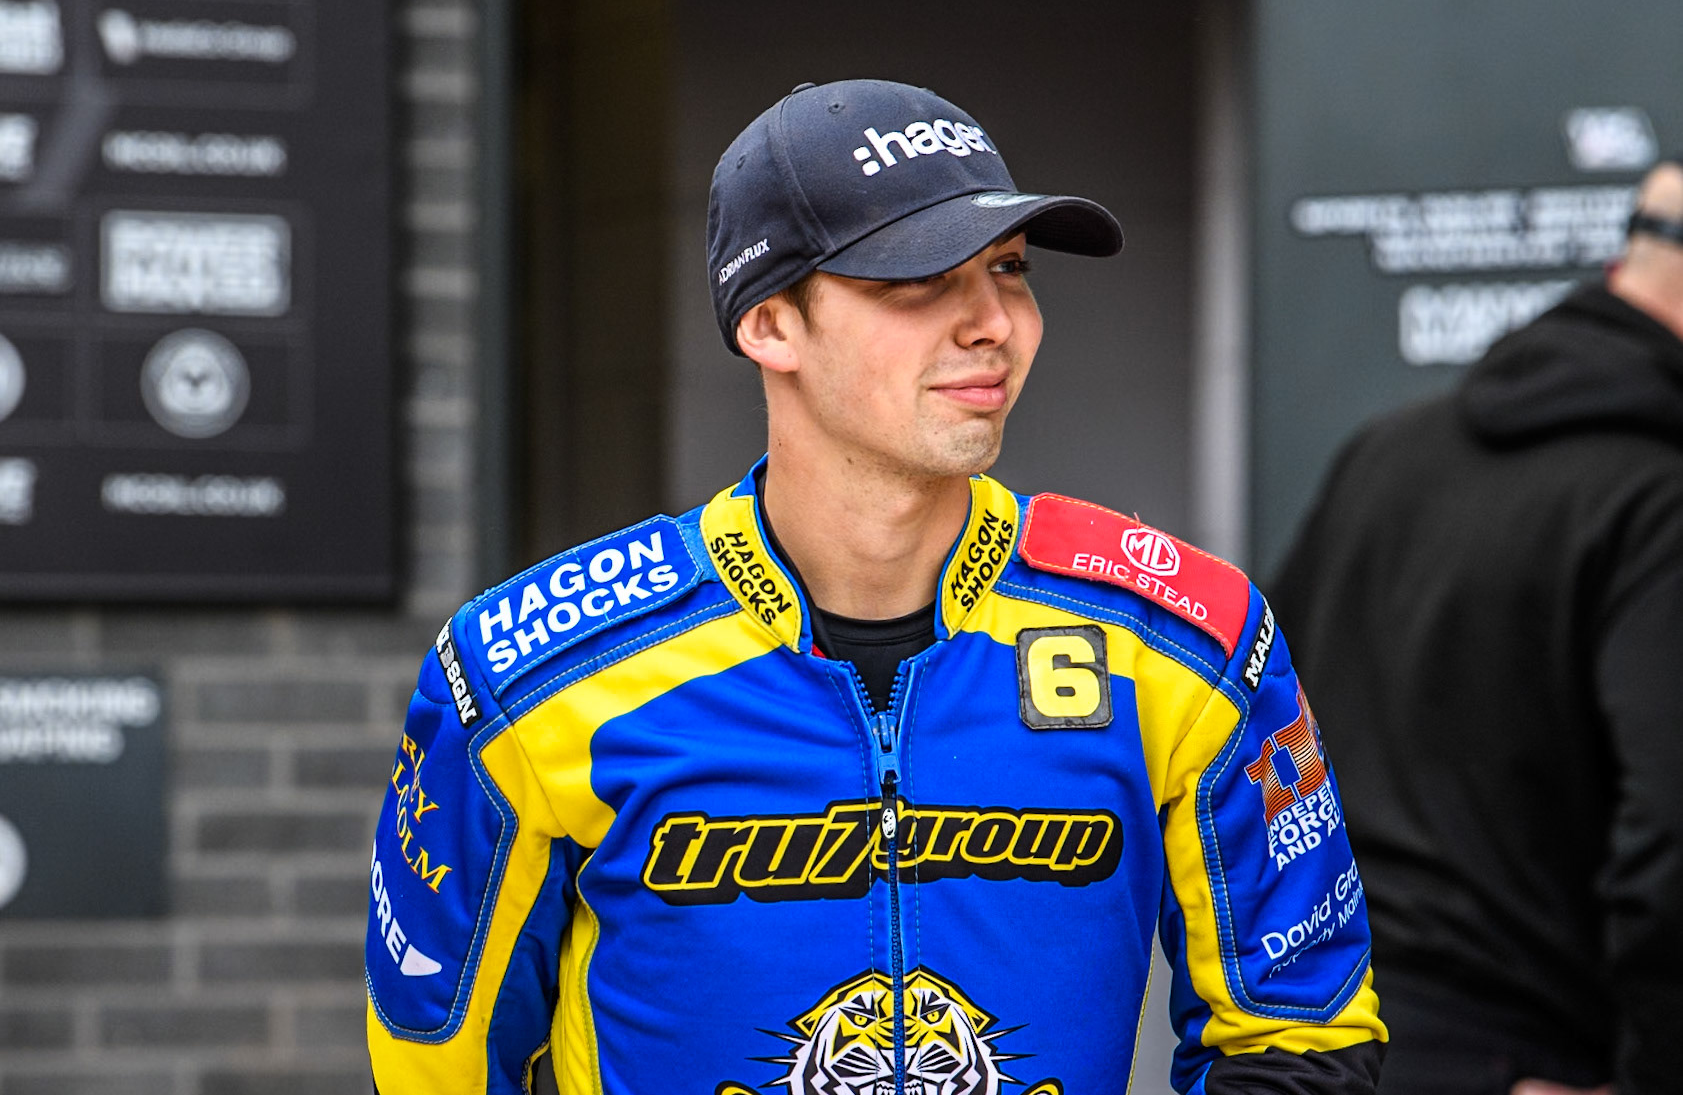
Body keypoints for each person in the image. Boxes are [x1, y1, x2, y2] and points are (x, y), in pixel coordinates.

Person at [365, 78, 1384, 1094]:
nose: (994, 321)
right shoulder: (527, 672)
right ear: (770, 324)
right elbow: (434, 1068)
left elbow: (1302, 1041)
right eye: (921, 276)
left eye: (1011, 268)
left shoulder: (1183, 639)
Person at [1270, 160, 1683, 1095]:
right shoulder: (1657, 503)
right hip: (1531, 1060)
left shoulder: (1384, 454)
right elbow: (1670, 848)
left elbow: (1252, 743)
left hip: (1327, 1044)